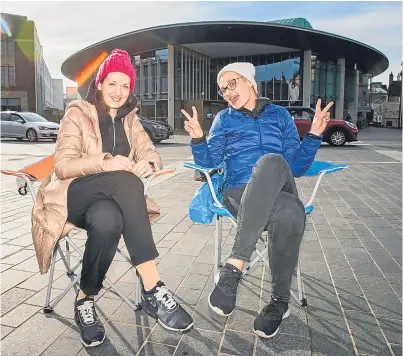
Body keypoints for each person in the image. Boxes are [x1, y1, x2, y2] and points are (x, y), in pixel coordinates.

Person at [32, 49, 193, 348]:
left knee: (108, 220)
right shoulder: (78, 113)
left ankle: (85, 300)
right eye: (112, 84)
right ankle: (152, 287)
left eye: (125, 86)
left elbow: (150, 153)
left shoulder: (131, 120)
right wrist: (104, 162)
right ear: (100, 84)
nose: (118, 92)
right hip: (73, 195)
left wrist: (150, 163)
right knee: (124, 179)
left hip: (109, 202)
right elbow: (62, 165)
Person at [181, 62, 332, 339]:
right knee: (290, 210)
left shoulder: (280, 115)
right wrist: (198, 139)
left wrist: (313, 135)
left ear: (250, 82)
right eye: (222, 89)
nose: (227, 92)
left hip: (280, 183)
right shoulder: (224, 120)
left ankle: (235, 265)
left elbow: (296, 167)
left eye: (232, 84)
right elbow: (210, 164)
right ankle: (279, 303)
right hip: (239, 193)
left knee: (272, 161)